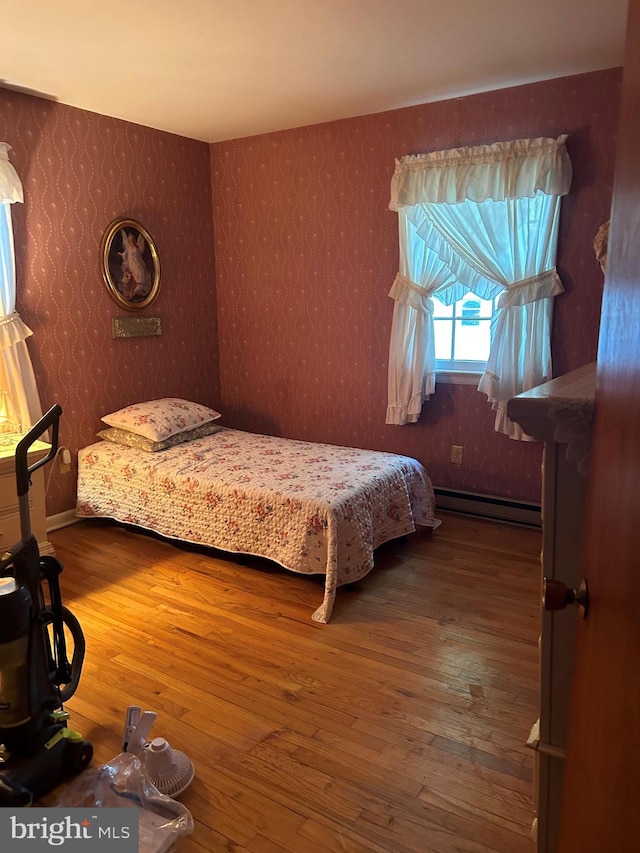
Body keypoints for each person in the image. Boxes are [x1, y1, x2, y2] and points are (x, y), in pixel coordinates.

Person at [119, 229, 151, 298]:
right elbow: (125, 254)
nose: (131, 241)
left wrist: (135, 255)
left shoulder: (137, 247)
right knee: (133, 275)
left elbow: (139, 255)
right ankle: (135, 288)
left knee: (139, 273)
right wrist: (121, 254)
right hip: (131, 263)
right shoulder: (129, 248)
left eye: (132, 240)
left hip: (136, 263)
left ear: (133, 240)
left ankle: (139, 288)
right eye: (129, 240)